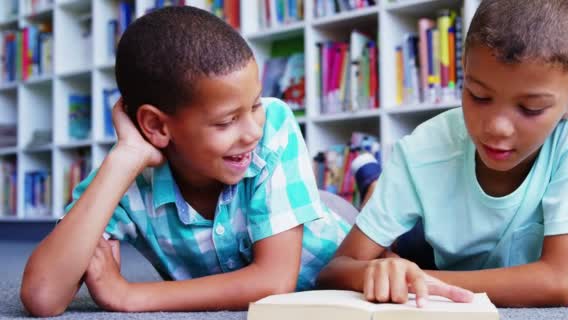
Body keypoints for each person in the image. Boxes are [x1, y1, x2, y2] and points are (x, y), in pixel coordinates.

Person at [19, 6, 359, 316]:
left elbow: (273, 281)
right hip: (284, 205)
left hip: (348, 248)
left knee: (396, 239)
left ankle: (367, 177)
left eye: (254, 105)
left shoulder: (273, 125)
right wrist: (126, 158)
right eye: (226, 122)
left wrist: (129, 296)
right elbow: (43, 296)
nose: (252, 131)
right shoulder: (126, 180)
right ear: (155, 126)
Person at [318, 0, 568, 307]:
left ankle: (374, 182)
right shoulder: (421, 151)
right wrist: (377, 271)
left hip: (439, 247)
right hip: (433, 232)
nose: (497, 128)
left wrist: (419, 280)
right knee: (398, 250)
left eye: (530, 108)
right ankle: (373, 182)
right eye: (479, 96)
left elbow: (559, 284)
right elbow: (334, 270)